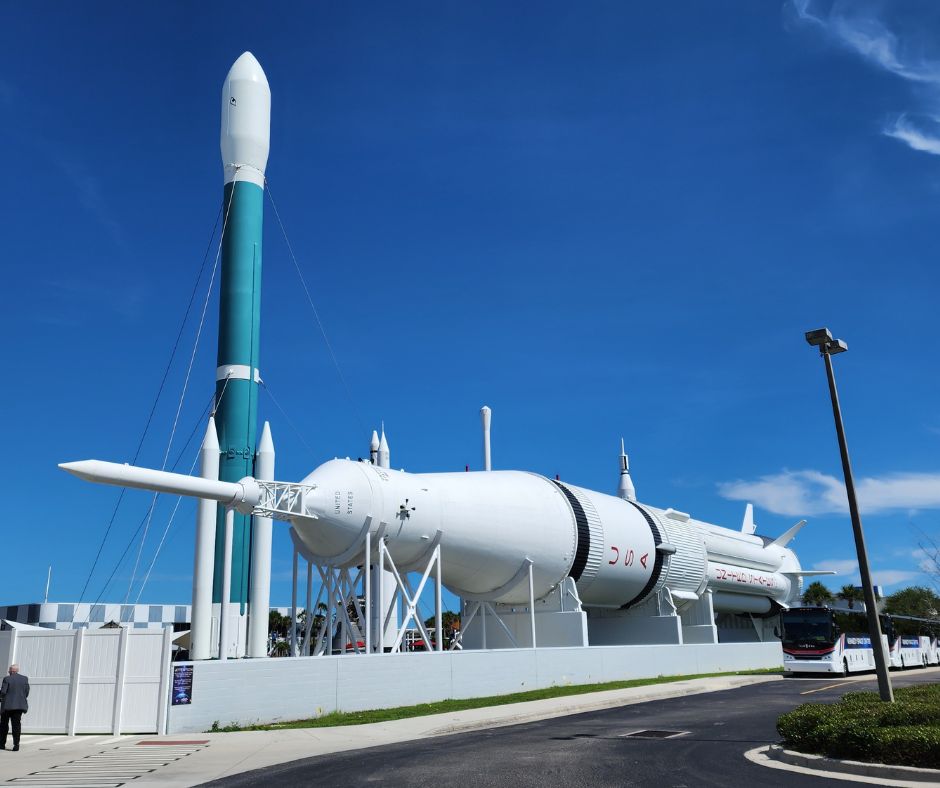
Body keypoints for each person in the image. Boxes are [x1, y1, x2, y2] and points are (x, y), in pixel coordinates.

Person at [0, 665, 29, 751]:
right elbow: (26, 692)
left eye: (9, 670)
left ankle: (2, 744)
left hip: (7, 707)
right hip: (19, 706)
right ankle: (16, 745)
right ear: (17, 671)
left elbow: (3, 692)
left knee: (4, 725)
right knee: (16, 726)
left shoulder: (7, 679)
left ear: (11, 671)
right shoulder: (25, 679)